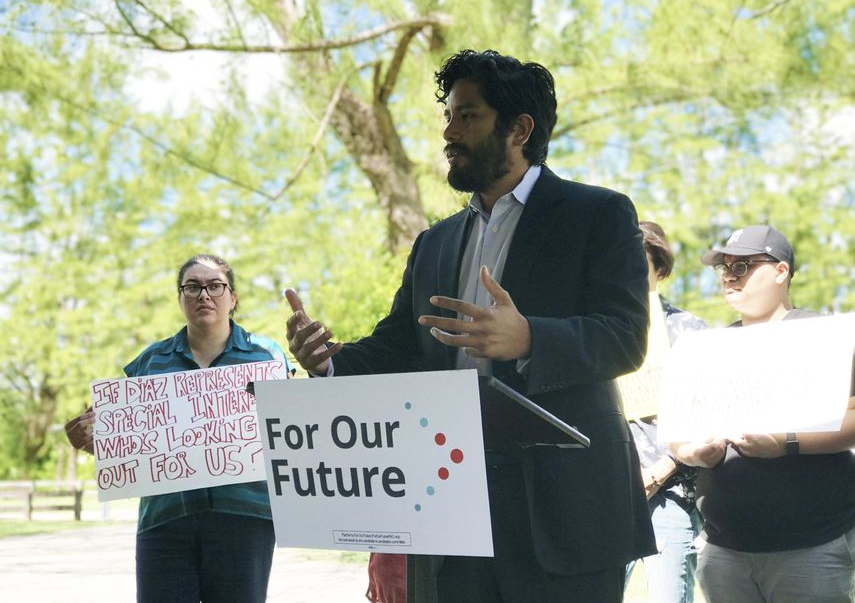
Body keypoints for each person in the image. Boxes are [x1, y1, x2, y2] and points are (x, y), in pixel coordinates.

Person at [286, 49, 655, 603]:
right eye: (449, 116)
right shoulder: (434, 243)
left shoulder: (598, 214)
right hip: (451, 509)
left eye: (468, 116)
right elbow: (400, 345)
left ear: (519, 130)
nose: (449, 132)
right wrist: (329, 360)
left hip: (564, 514)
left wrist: (529, 337)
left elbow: (624, 337)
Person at [65, 254, 293, 603]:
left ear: (232, 298)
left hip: (245, 519)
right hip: (165, 520)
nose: (204, 294)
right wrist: (93, 441)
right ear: (180, 298)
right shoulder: (150, 362)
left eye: (215, 286)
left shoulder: (267, 357)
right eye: (192, 287)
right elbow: (131, 443)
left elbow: (288, 431)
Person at [672, 225, 855, 603]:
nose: (729, 276)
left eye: (742, 266)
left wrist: (786, 444)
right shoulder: (708, 348)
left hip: (810, 548)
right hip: (723, 549)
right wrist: (694, 453)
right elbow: (678, 434)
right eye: (723, 268)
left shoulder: (825, 335)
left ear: (781, 271)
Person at [625, 221, 706, 602]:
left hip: (670, 495)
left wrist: (657, 474)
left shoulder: (688, 331)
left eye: (638, 262)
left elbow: (707, 419)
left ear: (659, 269)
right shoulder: (595, 332)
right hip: (610, 495)